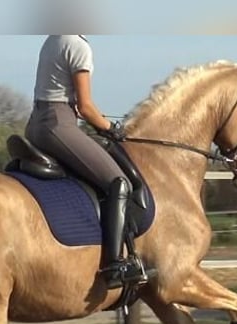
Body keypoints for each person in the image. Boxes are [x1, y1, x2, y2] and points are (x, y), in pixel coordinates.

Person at [25, 35, 147, 289]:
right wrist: (111, 128)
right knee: (118, 182)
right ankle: (115, 264)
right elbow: (85, 107)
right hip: (59, 124)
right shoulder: (78, 46)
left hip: (36, 122)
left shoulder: (53, 39)